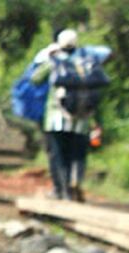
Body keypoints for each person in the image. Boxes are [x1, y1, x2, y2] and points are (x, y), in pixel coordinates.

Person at [31, 29, 110, 202]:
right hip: (82, 118)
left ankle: (60, 190)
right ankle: (75, 182)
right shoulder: (86, 61)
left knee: (57, 154)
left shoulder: (54, 61)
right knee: (77, 154)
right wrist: (97, 122)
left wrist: (48, 57)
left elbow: (35, 79)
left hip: (55, 118)